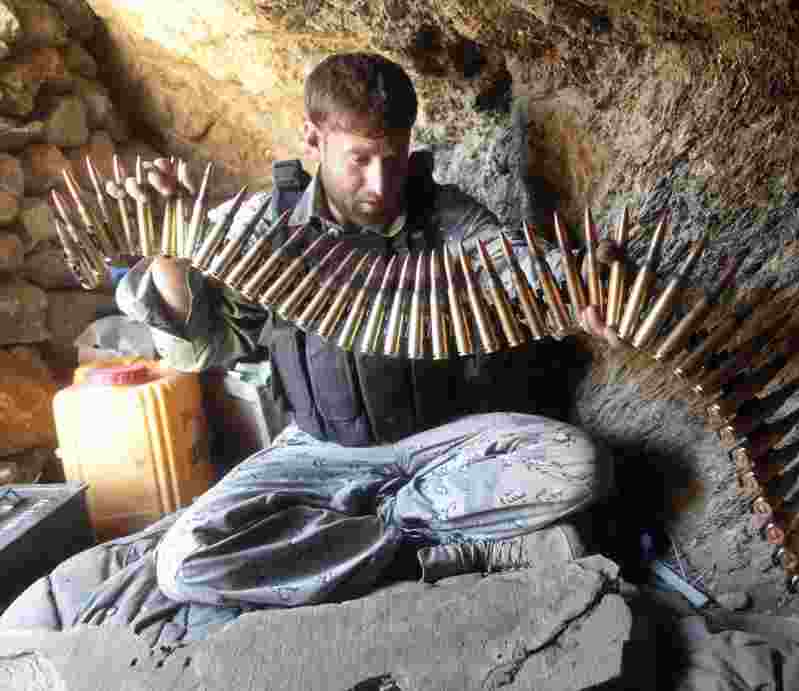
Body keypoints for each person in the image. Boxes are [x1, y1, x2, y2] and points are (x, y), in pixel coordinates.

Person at [116, 52, 627, 608]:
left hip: (444, 442)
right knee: (184, 561)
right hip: (318, 449)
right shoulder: (267, 231)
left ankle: (352, 535)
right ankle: (452, 551)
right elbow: (200, 349)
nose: (381, 184)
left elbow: (517, 268)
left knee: (579, 464)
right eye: (359, 160)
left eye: (393, 158)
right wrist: (171, 250)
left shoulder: (446, 216)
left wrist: (577, 286)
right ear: (312, 141)